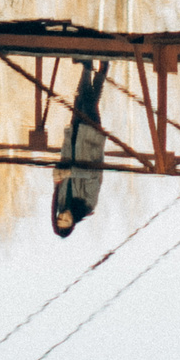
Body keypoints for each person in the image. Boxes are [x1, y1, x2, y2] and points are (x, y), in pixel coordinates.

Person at [51, 59, 110, 237]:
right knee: (87, 104)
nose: (63, 216)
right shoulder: (88, 205)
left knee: (81, 102)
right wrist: (70, 173)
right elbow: (93, 176)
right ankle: (87, 66)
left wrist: (57, 174)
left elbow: (61, 173)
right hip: (89, 143)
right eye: (65, 221)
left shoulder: (61, 202)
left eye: (59, 218)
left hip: (73, 142)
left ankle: (101, 66)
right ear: (72, 224)